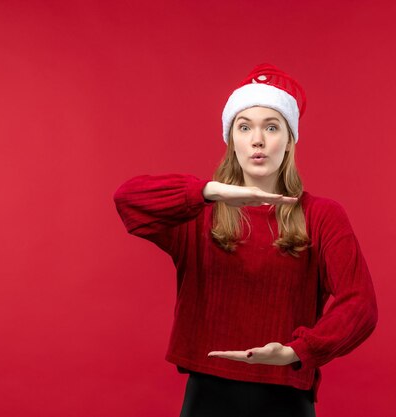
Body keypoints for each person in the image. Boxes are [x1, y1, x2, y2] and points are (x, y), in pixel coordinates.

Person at [113, 63, 378, 417]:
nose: (258, 139)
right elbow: (127, 198)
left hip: (285, 397)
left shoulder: (322, 215)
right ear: (230, 139)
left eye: (271, 127)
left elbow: (360, 305)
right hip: (208, 395)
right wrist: (206, 192)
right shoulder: (198, 213)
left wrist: (297, 351)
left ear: (289, 140)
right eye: (244, 126)